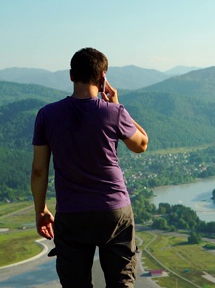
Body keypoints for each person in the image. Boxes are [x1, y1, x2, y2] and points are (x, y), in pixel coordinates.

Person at [31, 47, 149, 287]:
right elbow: (141, 144)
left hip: (71, 214)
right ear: (102, 77)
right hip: (114, 211)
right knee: (121, 282)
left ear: (71, 75)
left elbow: (39, 170)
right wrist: (118, 105)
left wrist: (41, 210)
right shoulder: (114, 112)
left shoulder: (46, 115)